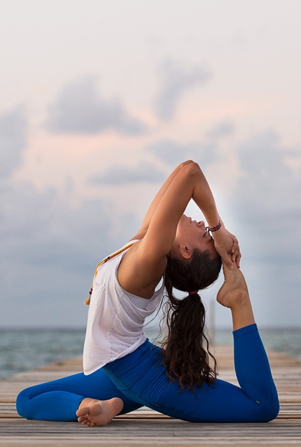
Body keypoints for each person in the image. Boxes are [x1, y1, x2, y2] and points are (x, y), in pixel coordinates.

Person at [16, 161, 279, 426]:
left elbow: (191, 175)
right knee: (27, 398)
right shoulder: (142, 243)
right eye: (208, 231)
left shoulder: (149, 261)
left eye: (206, 235)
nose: (204, 225)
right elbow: (184, 169)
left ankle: (238, 298)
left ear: (186, 251)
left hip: (148, 380)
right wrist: (217, 234)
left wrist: (219, 229)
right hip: (127, 366)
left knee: (262, 406)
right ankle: (93, 407)